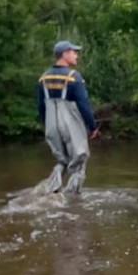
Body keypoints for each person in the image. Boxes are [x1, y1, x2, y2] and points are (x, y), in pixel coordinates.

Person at [34, 39, 99, 196]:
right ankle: (72, 200)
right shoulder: (73, 77)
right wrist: (92, 126)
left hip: (51, 123)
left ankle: (52, 190)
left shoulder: (44, 78)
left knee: (62, 160)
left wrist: (46, 126)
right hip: (70, 122)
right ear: (64, 54)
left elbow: (41, 106)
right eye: (73, 52)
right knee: (79, 159)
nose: (76, 55)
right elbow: (83, 105)